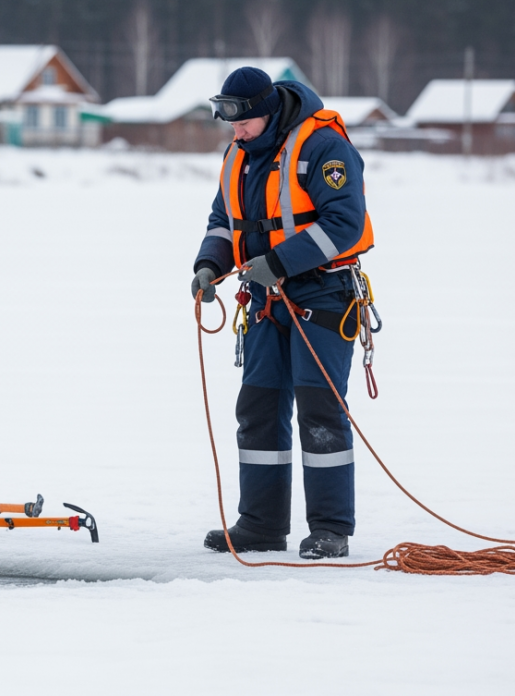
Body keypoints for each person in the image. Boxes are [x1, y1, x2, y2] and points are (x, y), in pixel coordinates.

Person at [190, 67, 374, 559]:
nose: (235, 131)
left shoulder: (322, 146)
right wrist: (210, 265)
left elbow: (344, 222)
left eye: (241, 122)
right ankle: (261, 525)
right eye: (229, 122)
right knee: (258, 409)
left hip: (324, 295)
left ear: (265, 112)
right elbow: (223, 221)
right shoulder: (239, 157)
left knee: (320, 412)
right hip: (266, 301)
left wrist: (278, 262)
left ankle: (331, 529)